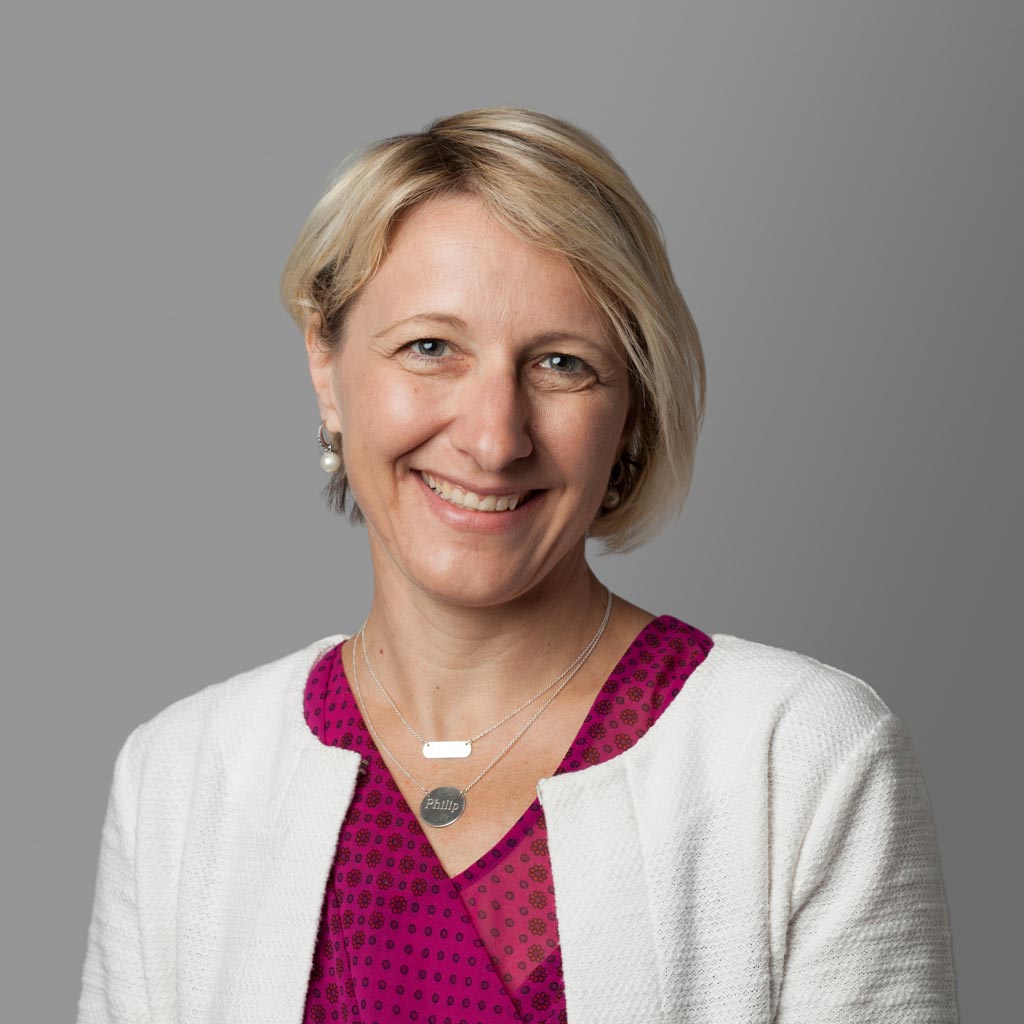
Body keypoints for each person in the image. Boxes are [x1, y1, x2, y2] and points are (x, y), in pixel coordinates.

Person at [76, 108, 959, 1024]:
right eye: (430, 348)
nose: (495, 440)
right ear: (326, 365)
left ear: (632, 410)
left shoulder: (800, 760)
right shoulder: (180, 778)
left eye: (562, 365)